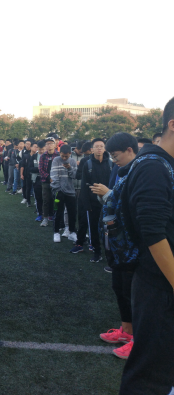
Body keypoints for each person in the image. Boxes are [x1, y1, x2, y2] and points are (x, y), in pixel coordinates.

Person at [119, 99, 174, 394]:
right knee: (150, 377)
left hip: (162, 284)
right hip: (159, 287)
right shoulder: (153, 166)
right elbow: (153, 234)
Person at [89, 133, 138, 358]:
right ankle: (126, 331)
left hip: (132, 246)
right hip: (117, 242)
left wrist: (108, 194)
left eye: (116, 156)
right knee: (119, 287)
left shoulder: (142, 171)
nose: (114, 160)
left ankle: (138, 339)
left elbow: (130, 204)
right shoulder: (121, 170)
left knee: (133, 292)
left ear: (130, 150)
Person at [70, 138, 111, 262]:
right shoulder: (87, 163)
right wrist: (87, 204)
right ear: (92, 149)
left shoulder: (111, 164)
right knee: (93, 227)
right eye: (96, 146)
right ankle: (97, 252)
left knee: (109, 229)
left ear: (104, 148)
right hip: (92, 203)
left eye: (101, 146)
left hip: (108, 201)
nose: (99, 148)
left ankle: (110, 254)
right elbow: (84, 185)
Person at [50, 145, 78, 243]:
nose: (64, 158)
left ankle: (72, 232)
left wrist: (69, 168)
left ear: (70, 153)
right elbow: (54, 176)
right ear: (60, 153)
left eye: (66, 156)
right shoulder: (56, 160)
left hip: (70, 191)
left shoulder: (73, 161)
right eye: (63, 156)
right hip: (58, 191)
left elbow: (75, 176)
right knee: (58, 212)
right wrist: (58, 189)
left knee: (72, 213)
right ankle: (56, 232)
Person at [38, 137, 59, 227]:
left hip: (57, 181)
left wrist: (54, 179)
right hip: (45, 181)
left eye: (51, 143)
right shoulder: (43, 156)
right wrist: (49, 178)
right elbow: (41, 169)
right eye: (47, 144)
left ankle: (57, 218)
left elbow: (60, 169)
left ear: (55, 145)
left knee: (57, 200)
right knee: (46, 200)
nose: (49, 145)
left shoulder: (58, 155)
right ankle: (45, 218)